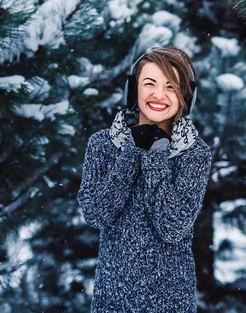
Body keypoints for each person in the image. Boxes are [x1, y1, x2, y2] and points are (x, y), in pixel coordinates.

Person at [77, 46, 212, 312]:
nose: (159, 95)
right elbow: (96, 214)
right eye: (149, 83)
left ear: (187, 96)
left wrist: (155, 157)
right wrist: (131, 152)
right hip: (111, 303)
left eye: (171, 86)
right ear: (132, 90)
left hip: (171, 304)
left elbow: (172, 227)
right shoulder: (103, 145)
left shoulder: (194, 153)